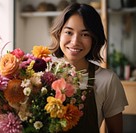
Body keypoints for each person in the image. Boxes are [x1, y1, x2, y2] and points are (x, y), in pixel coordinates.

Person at [48, 2, 128, 133]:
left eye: (85, 34)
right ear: (59, 34)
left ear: (94, 39)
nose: (75, 41)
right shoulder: (41, 73)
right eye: (69, 32)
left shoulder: (107, 80)